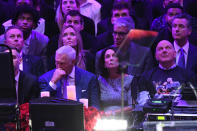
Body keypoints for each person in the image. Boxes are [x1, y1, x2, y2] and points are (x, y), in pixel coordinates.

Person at [98, 47, 139, 116]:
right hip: (103, 120)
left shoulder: (130, 80)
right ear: (104, 64)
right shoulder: (99, 81)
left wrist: (113, 113)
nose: (111, 58)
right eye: (107, 57)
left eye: (114, 56)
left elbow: (132, 106)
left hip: (125, 119)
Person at [171, 13, 197, 78]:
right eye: (174, 26)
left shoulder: (195, 52)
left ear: (189, 31)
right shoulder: (164, 51)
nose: (176, 29)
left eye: (181, 26)